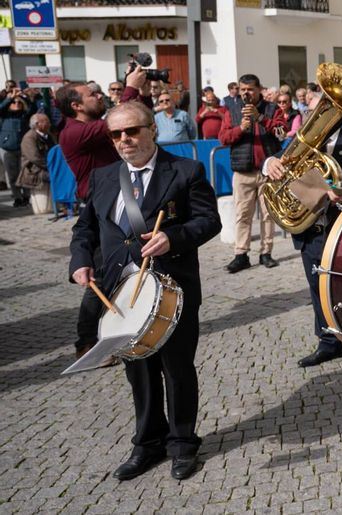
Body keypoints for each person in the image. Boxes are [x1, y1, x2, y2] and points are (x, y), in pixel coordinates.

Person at [68, 101, 221, 481]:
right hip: (119, 294)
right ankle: (148, 442)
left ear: (152, 129)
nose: (124, 140)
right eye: (116, 134)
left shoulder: (186, 170)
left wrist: (174, 237)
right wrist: (80, 261)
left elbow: (209, 221)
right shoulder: (103, 177)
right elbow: (84, 228)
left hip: (171, 291)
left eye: (132, 131)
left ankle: (183, 443)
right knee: (138, 372)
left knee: (177, 369)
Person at [264, 99, 342, 377]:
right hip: (311, 231)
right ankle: (329, 342)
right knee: (318, 289)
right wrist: (269, 163)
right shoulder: (301, 144)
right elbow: (276, 166)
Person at [57, 69, 149, 357]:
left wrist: (140, 95)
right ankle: (86, 343)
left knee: (129, 267)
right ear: (76, 106)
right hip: (101, 213)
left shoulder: (91, 127)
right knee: (101, 277)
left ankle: (136, 323)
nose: (99, 96)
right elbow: (114, 119)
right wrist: (130, 88)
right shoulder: (73, 133)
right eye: (92, 94)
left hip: (122, 204)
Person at [218, 74, 282, 273]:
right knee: (242, 215)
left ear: (259, 89)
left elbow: (281, 132)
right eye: (243, 89)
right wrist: (241, 128)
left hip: (268, 171)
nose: (246, 93)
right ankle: (241, 254)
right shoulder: (232, 111)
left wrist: (261, 118)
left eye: (250, 89)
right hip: (243, 172)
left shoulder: (272, 109)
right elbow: (223, 138)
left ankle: (266, 253)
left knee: (268, 214)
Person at [1, 91, 33, 206]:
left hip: (23, 149)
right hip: (8, 148)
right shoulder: (5, 114)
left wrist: (24, 96)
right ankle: (17, 197)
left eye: (19, 102)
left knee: (24, 173)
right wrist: (10, 98)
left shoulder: (25, 114)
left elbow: (32, 107)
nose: (17, 103)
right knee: (12, 175)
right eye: (14, 102)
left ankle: (26, 196)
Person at [18, 112, 54, 211]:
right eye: (46, 121)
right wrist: (51, 167)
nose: (49, 123)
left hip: (46, 167)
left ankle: (66, 203)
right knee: (56, 176)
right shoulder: (29, 137)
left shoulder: (48, 136)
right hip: (34, 171)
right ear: (37, 124)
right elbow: (35, 158)